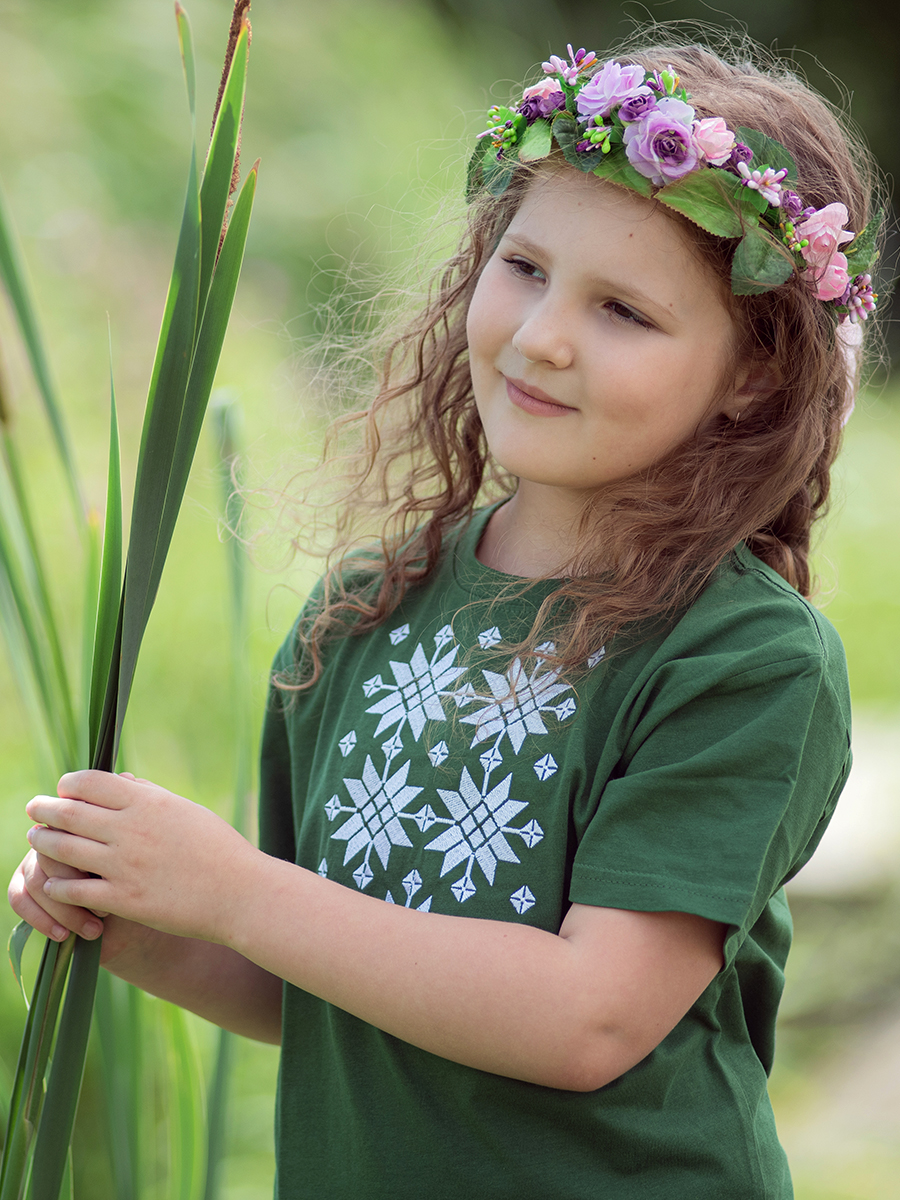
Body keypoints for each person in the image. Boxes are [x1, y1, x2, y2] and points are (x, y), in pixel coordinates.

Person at [9, 33, 881, 1200]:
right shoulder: (366, 609)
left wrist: (236, 889)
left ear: (752, 377)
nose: (542, 335)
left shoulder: (744, 659)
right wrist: (144, 924)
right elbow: (313, 976)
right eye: (524, 267)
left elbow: (590, 1019)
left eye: (623, 310)